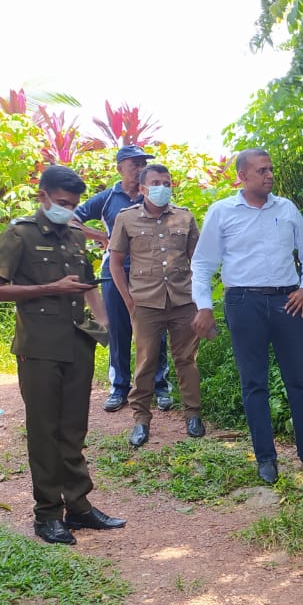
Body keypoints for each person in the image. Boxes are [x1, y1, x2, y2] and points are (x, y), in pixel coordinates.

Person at [0, 165, 126, 545]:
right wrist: (50, 287)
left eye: (74, 204)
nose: (69, 209)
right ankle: (47, 514)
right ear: (42, 196)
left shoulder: (75, 235)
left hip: (78, 343)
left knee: (73, 429)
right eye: (62, 202)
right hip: (40, 347)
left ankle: (78, 507)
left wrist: (104, 323)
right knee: (44, 432)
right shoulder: (20, 234)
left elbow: (88, 286)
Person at [190, 148, 303, 485]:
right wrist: (204, 305)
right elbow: (203, 263)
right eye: (261, 170)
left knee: (301, 380)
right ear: (242, 176)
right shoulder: (222, 212)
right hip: (243, 302)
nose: (269, 175)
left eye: (271, 169)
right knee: (254, 383)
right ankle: (266, 458)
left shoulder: (286, 209)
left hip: (288, 302)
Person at [108, 164, 204, 447]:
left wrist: (201, 299)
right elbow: (115, 262)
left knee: (186, 359)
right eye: (156, 182)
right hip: (145, 302)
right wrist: (128, 299)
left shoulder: (184, 218)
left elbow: (198, 261)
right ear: (142, 189)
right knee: (146, 361)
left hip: (183, 300)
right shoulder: (126, 219)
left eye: (167, 182)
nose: (162, 187)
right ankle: (140, 419)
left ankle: (193, 415)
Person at [73, 144, 172, 413]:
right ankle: (119, 388)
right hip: (114, 272)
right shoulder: (107, 198)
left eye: (143, 163)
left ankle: (160, 385)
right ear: (120, 168)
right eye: (134, 164)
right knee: (118, 329)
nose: (140, 168)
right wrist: (100, 237)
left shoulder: (152, 196)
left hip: (150, 274)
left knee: (155, 329)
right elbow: (71, 220)